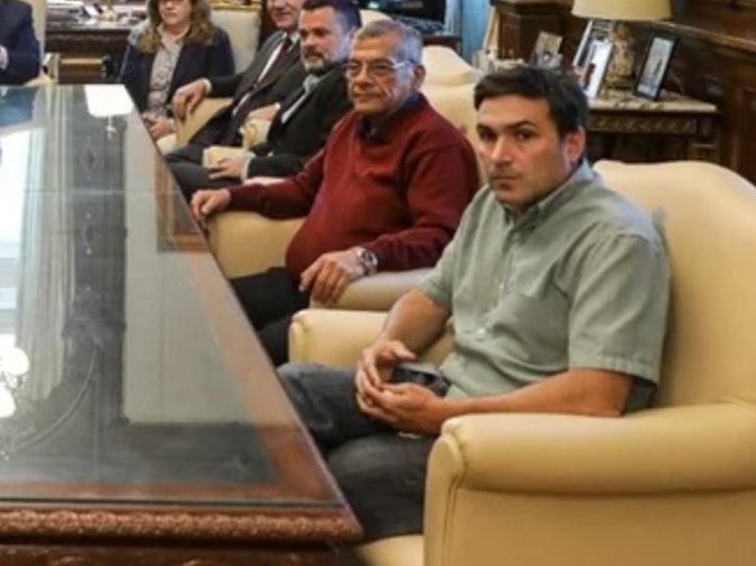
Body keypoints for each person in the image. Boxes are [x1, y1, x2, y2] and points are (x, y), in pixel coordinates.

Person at [278, 65, 670, 541]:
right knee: (287, 390)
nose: (499, 156)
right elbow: (430, 297)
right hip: (449, 392)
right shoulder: (492, 204)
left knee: (347, 470)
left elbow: (597, 397)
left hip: (514, 438)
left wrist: (443, 418)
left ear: (573, 143)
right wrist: (386, 344)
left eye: (523, 136)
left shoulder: (616, 239)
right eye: (487, 136)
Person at [190, 19, 479, 364]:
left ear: (416, 77)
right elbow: (303, 189)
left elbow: (441, 237)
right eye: (354, 67)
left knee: (234, 358)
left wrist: (365, 257)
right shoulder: (353, 124)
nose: (360, 80)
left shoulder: (435, 143)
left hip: (344, 296)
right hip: (298, 281)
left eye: (380, 68)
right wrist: (232, 196)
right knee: (196, 312)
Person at [170, 0, 358, 196]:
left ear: (353, 36)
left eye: (321, 33)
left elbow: (321, 162)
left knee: (170, 172)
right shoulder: (315, 74)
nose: (309, 43)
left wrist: (249, 167)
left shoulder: (348, 86)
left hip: (280, 186)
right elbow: (278, 142)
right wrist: (248, 156)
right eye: (304, 35)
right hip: (262, 162)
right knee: (167, 162)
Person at [166, 0, 317, 156]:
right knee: (161, 163)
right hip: (219, 134)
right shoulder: (276, 39)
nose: (278, 4)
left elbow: (315, 94)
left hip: (246, 152)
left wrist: (281, 108)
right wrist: (205, 84)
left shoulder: (315, 49)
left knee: (167, 171)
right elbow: (252, 79)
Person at [117, 0, 234, 143]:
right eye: (163, 0)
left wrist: (172, 126)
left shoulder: (214, 40)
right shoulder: (140, 36)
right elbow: (125, 86)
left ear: (193, 3)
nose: (169, 6)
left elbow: (220, 98)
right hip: (139, 123)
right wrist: (137, 120)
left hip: (185, 128)